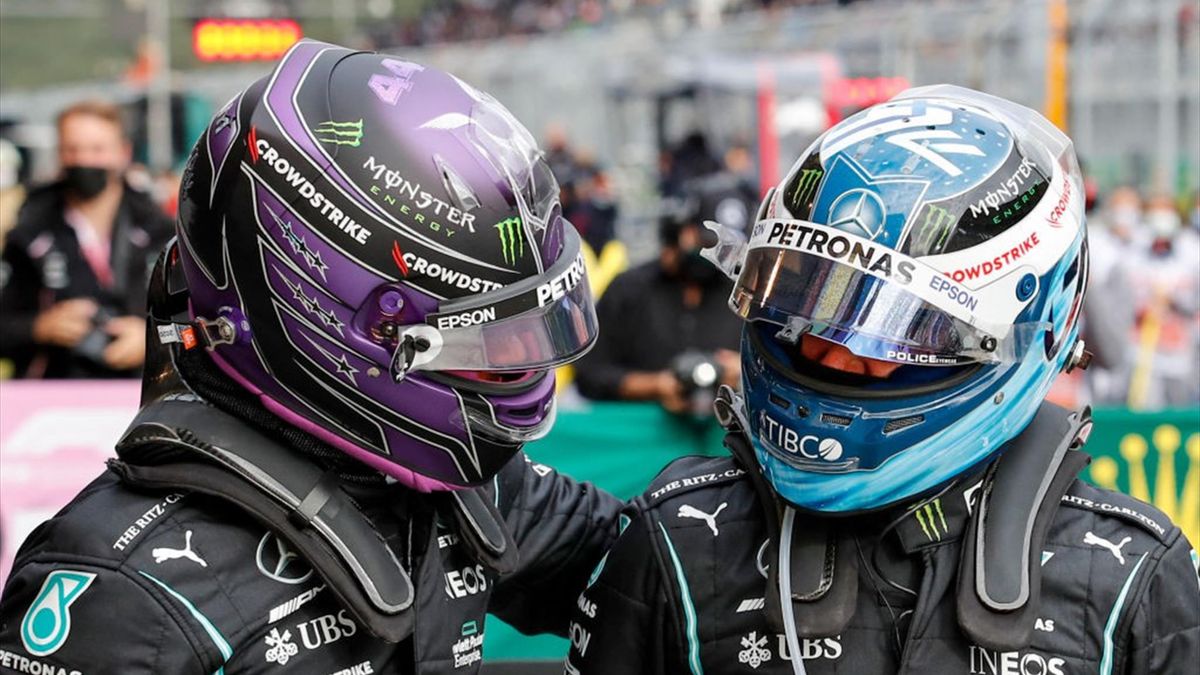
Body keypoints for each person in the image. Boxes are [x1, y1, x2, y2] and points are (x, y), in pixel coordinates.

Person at [0, 41, 620, 674]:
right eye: (491, 347)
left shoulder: (467, 490)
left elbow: (647, 568)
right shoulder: (124, 602)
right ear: (352, 323)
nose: (520, 372)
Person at [565, 86, 1200, 674]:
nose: (832, 356)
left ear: (1030, 331)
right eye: (808, 307)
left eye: (892, 333)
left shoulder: (1132, 578)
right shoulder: (678, 536)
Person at [0, 100, 173, 379]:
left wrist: (152, 339)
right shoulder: (28, 232)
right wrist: (41, 327)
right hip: (55, 391)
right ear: (59, 154)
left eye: (97, 149)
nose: (84, 160)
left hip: (144, 391)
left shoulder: (162, 231)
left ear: (123, 153)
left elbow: (202, 323)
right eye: (72, 149)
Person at [573, 202, 742, 414]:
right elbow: (588, 374)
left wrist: (745, 374)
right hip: (641, 429)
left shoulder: (747, 295)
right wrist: (655, 386)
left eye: (728, 246)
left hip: (726, 427)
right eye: (707, 241)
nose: (716, 253)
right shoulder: (630, 289)